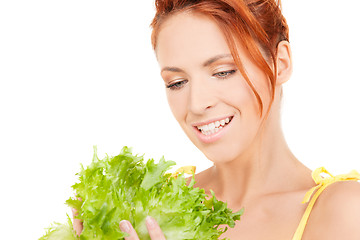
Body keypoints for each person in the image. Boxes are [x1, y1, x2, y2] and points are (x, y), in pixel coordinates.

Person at [73, 0, 360, 239]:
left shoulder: (344, 210)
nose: (197, 104)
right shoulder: (150, 205)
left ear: (279, 64)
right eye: (176, 83)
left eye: (223, 72)